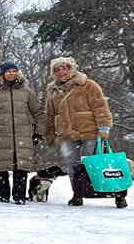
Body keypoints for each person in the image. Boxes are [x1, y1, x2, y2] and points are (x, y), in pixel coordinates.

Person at [44, 57, 124, 208]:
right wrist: (49, 133)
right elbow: (50, 114)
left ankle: (116, 193)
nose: (61, 72)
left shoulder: (88, 85)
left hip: (89, 131)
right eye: (57, 69)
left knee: (95, 164)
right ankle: (78, 194)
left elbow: (100, 106)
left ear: (71, 68)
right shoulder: (52, 90)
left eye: (64, 68)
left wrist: (104, 127)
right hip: (66, 133)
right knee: (72, 165)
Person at [0, 61, 44, 204]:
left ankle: (19, 196)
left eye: (14, 71)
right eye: (8, 71)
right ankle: (3, 195)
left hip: (23, 133)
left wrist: (39, 132)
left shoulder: (27, 92)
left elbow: (38, 112)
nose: (12, 74)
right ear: (3, 73)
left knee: (21, 166)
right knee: (1, 165)